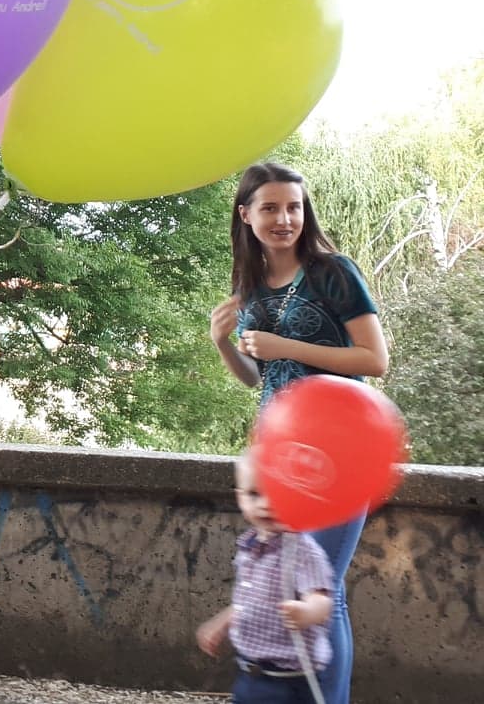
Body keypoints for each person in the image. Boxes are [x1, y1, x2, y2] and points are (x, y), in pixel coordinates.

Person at [209, 161, 388, 704]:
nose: (284, 218)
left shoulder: (333, 272)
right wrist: (223, 343)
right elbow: (257, 376)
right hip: (279, 455)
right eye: (270, 208)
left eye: (293, 207)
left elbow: (375, 359)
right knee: (290, 583)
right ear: (246, 215)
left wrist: (284, 345)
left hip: (339, 451)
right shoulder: (250, 284)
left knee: (323, 589)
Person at [197, 448, 335, 703]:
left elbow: (322, 601)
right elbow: (249, 600)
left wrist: (307, 612)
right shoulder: (250, 547)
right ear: (240, 497)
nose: (266, 504)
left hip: (290, 680)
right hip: (250, 671)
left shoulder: (302, 551)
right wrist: (222, 622)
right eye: (254, 494)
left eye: (279, 494)